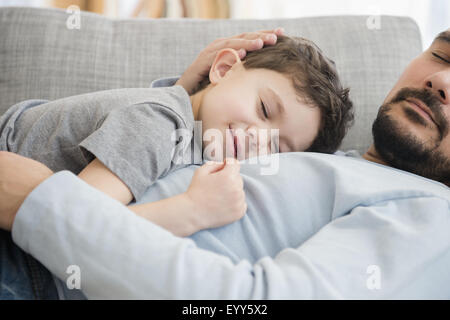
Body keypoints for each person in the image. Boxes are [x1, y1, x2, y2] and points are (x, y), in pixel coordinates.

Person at [0, 29, 449, 299]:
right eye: (442, 55)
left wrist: (38, 205)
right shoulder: (334, 158)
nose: (440, 80)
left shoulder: (434, 219)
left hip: (36, 263)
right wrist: (181, 99)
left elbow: (252, 302)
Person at [0, 33, 353, 237]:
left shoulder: (185, 118)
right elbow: (75, 222)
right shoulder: (158, 121)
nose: (257, 137)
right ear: (224, 67)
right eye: (263, 109)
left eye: (277, 147)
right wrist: (192, 211)